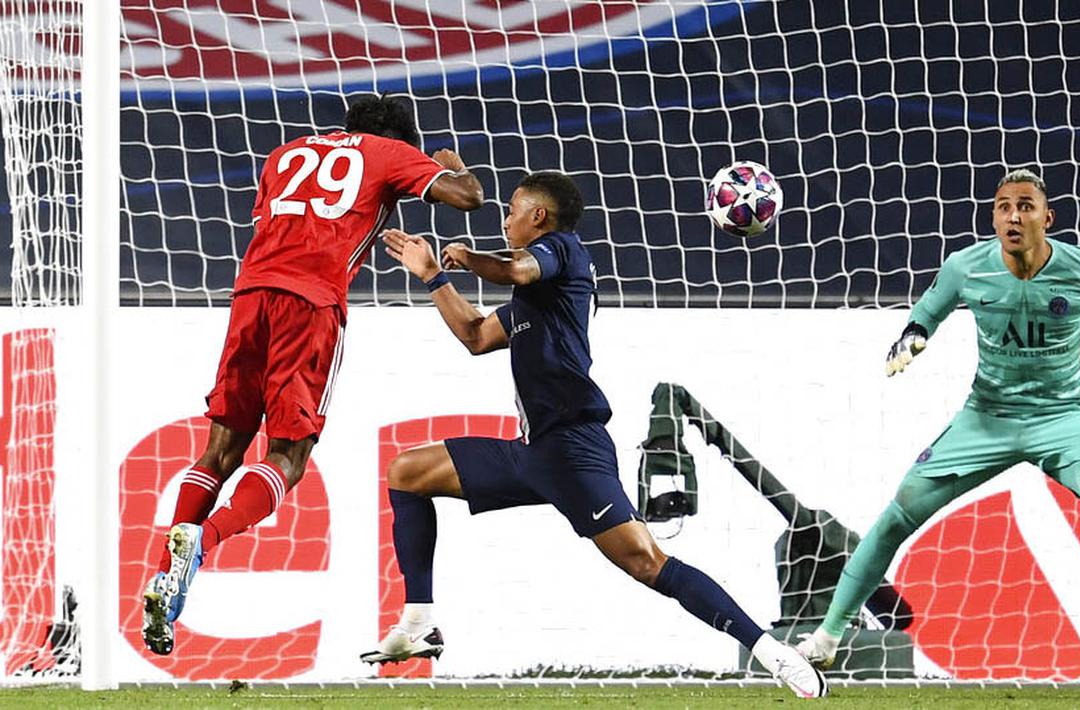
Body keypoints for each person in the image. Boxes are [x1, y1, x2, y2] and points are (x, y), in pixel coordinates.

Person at [368, 171, 825, 698]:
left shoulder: (561, 250)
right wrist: (431, 276)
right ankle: (419, 620)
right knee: (407, 471)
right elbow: (474, 335)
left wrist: (469, 258)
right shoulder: (535, 296)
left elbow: (517, 270)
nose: (505, 216)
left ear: (539, 216)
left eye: (513, 208)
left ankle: (772, 653)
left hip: (574, 449)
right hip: (535, 451)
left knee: (647, 563)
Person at [795, 168, 1080, 679]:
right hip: (986, 419)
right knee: (899, 513)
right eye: (1004, 206)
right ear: (994, 217)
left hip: (1061, 416)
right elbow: (929, 309)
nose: (1014, 215)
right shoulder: (967, 267)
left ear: (1047, 218)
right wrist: (911, 336)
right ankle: (826, 639)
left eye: (1026, 205)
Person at [140, 94, 484, 655]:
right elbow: (469, 199)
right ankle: (205, 541)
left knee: (219, 452)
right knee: (288, 456)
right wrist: (449, 167)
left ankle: (164, 576)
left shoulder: (285, 153)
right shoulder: (388, 154)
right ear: (400, 141)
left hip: (250, 295)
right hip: (312, 304)